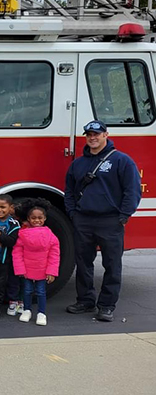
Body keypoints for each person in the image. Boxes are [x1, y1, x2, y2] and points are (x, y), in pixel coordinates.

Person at [65, 120, 142, 322]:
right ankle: (85, 300)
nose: (92, 138)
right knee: (83, 263)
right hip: (83, 220)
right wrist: (73, 213)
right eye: (89, 134)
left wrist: (124, 215)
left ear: (106, 135)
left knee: (112, 264)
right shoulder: (78, 164)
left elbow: (132, 190)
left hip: (111, 221)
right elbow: (70, 192)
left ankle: (106, 306)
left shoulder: (122, 161)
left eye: (96, 134)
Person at [13, 199, 60, 326]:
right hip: (28, 269)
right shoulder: (22, 234)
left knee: (40, 292)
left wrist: (51, 271)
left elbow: (54, 254)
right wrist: (20, 269)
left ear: (44, 218)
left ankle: (41, 313)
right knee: (27, 291)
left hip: (42, 269)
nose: (37, 220)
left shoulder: (50, 235)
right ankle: (27, 310)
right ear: (28, 219)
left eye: (40, 218)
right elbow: (17, 253)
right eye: (33, 218)